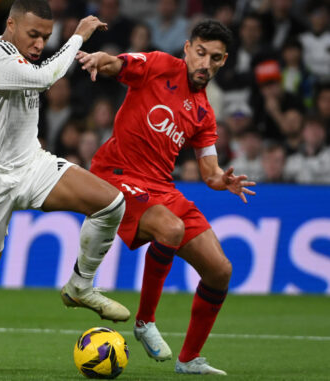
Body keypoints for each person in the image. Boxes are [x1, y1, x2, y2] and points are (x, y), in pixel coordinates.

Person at [0, 0, 129, 371]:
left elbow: (41, 75)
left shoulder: (26, 58)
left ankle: (80, 286)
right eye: (33, 34)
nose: (39, 44)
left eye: (46, 37)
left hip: (32, 164)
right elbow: (46, 78)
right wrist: (77, 36)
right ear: (11, 25)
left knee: (111, 203)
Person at [76, 19, 255, 375]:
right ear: (187, 48)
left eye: (215, 58)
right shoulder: (158, 66)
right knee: (170, 230)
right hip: (119, 175)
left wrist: (223, 181)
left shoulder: (204, 113)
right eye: (200, 53)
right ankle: (144, 321)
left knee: (220, 271)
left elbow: (209, 171)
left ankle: (189, 360)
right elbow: (120, 65)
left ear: (223, 61)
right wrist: (100, 59)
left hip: (160, 187)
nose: (205, 63)